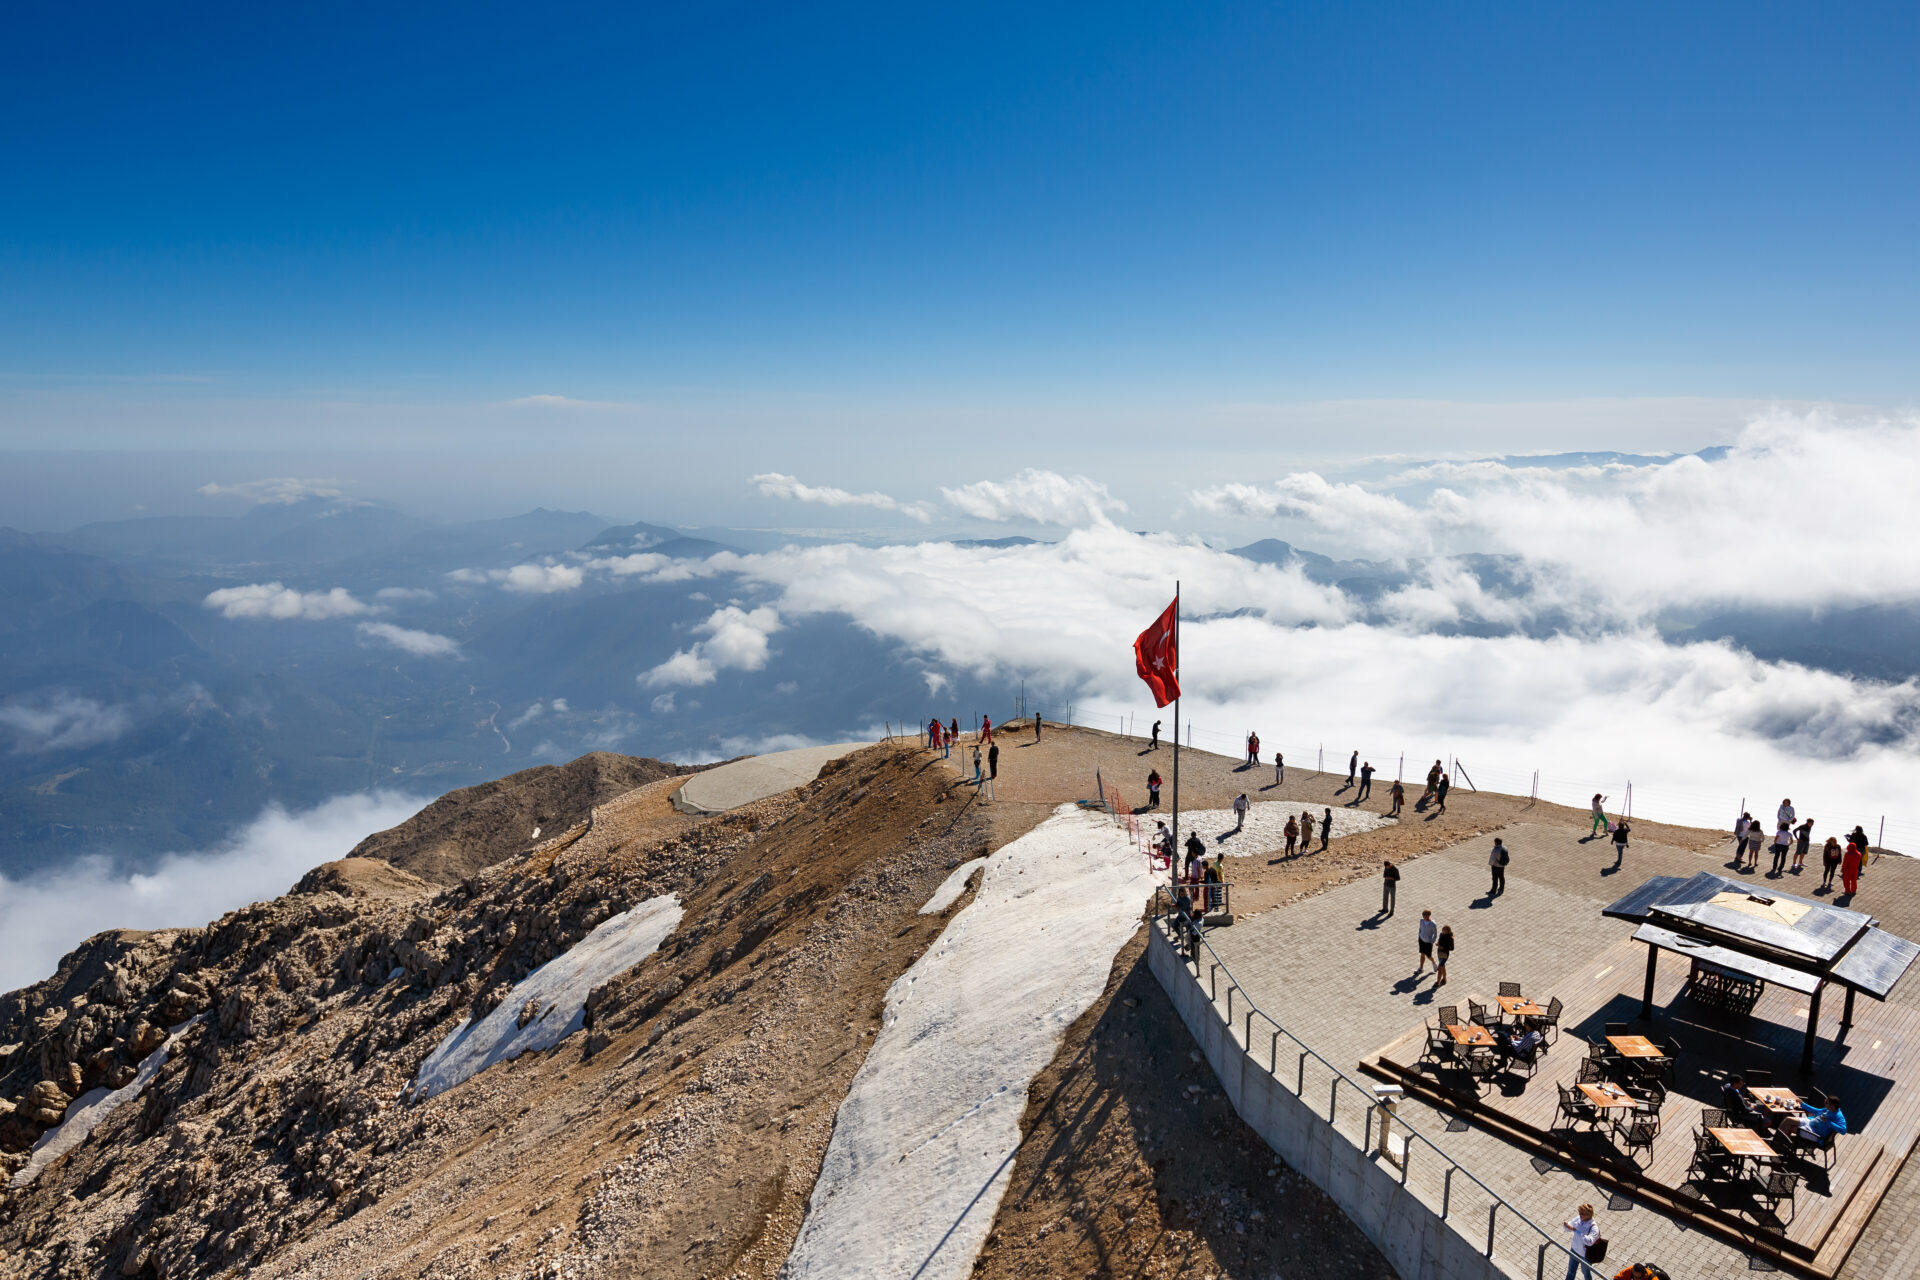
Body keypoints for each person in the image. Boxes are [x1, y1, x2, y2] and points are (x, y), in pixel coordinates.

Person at [1781, 1094, 1848, 1150]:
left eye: (1826, 1102)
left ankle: (1782, 1146)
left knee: (1791, 1128)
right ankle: (1782, 1144)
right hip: (1810, 1122)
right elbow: (1816, 1111)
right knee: (1788, 1119)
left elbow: (1843, 1130)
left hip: (1816, 1134)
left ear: (1832, 1106)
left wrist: (1828, 1122)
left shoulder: (1838, 1116)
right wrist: (1802, 1104)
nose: (1824, 1103)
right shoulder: (1828, 1109)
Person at [1563, 1203, 1601, 1279]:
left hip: (1585, 1255)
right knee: (1571, 1271)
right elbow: (1568, 1228)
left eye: (1582, 1213)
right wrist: (1566, 1225)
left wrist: (1574, 1230)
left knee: (1586, 1273)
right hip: (1574, 1250)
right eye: (1579, 1213)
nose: (1580, 1215)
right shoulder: (1579, 1218)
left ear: (1589, 1214)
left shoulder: (1594, 1227)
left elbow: (1589, 1242)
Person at [1416, 910, 1438, 974]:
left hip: (1428, 942)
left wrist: (1432, 942)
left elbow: (1435, 934)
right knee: (1422, 954)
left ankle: (1433, 963)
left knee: (1428, 956)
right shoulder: (1421, 921)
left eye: (1426, 915)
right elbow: (1420, 929)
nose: (1425, 916)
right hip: (1421, 940)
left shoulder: (1433, 924)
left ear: (1429, 915)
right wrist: (1419, 937)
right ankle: (1421, 968)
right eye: (1424, 915)